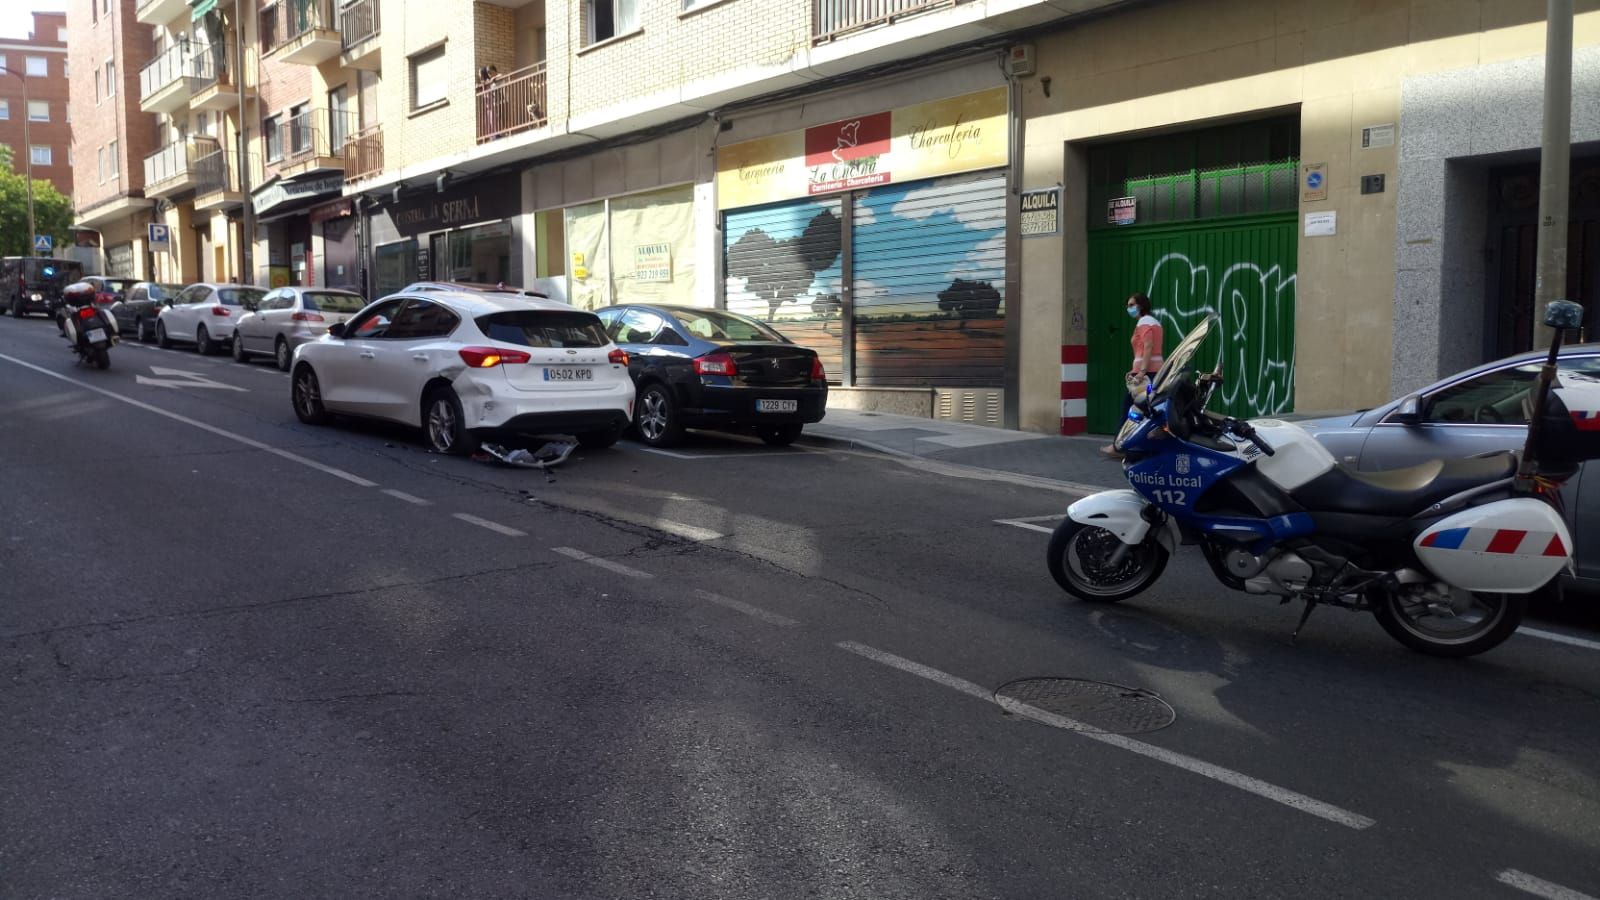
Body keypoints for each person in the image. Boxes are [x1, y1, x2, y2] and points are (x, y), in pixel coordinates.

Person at [1101, 292, 1165, 458]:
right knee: (1147, 409)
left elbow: (1148, 346)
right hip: (1152, 371)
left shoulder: (1144, 322)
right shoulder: (1155, 323)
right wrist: (1135, 369)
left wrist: (1141, 371)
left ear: (1141, 306)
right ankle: (1141, 445)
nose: (1128, 308)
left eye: (1131, 305)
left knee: (1128, 408)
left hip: (1146, 374)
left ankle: (1118, 446)